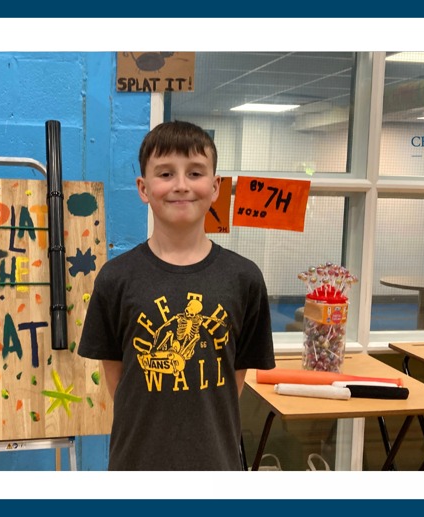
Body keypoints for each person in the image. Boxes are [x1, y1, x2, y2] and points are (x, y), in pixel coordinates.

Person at [77, 120, 276, 470]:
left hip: (216, 465)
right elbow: (119, 381)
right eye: (166, 174)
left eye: (195, 173)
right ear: (143, 188)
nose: (181, 185)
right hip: (136, 467)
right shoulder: (115, 279)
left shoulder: (244, 279)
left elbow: (234, 380)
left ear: (215, 187)